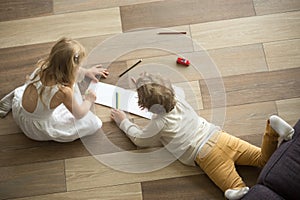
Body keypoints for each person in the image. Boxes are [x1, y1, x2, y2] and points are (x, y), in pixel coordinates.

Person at [111, 73, 295, 200]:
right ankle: (272, 128)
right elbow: (162, 89)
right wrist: (145, 84)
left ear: (144, 106)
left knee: (233, 186)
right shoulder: (179, 96)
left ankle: (236, 189)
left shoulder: (159, 123)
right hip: (222, 137)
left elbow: (140, 140)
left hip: (206, 155)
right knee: (263, 159)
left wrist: (123, 121)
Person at [0, 37, 109, 142]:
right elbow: (79, 114)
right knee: (94, 124)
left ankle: (13, 97)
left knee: (31, 90)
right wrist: (89, 100)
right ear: (72, 68)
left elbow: (66, 67)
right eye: (78, 67)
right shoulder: (63, 91)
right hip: (34, 128)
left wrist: (86, 72)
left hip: (20, 112)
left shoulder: (41, 69)